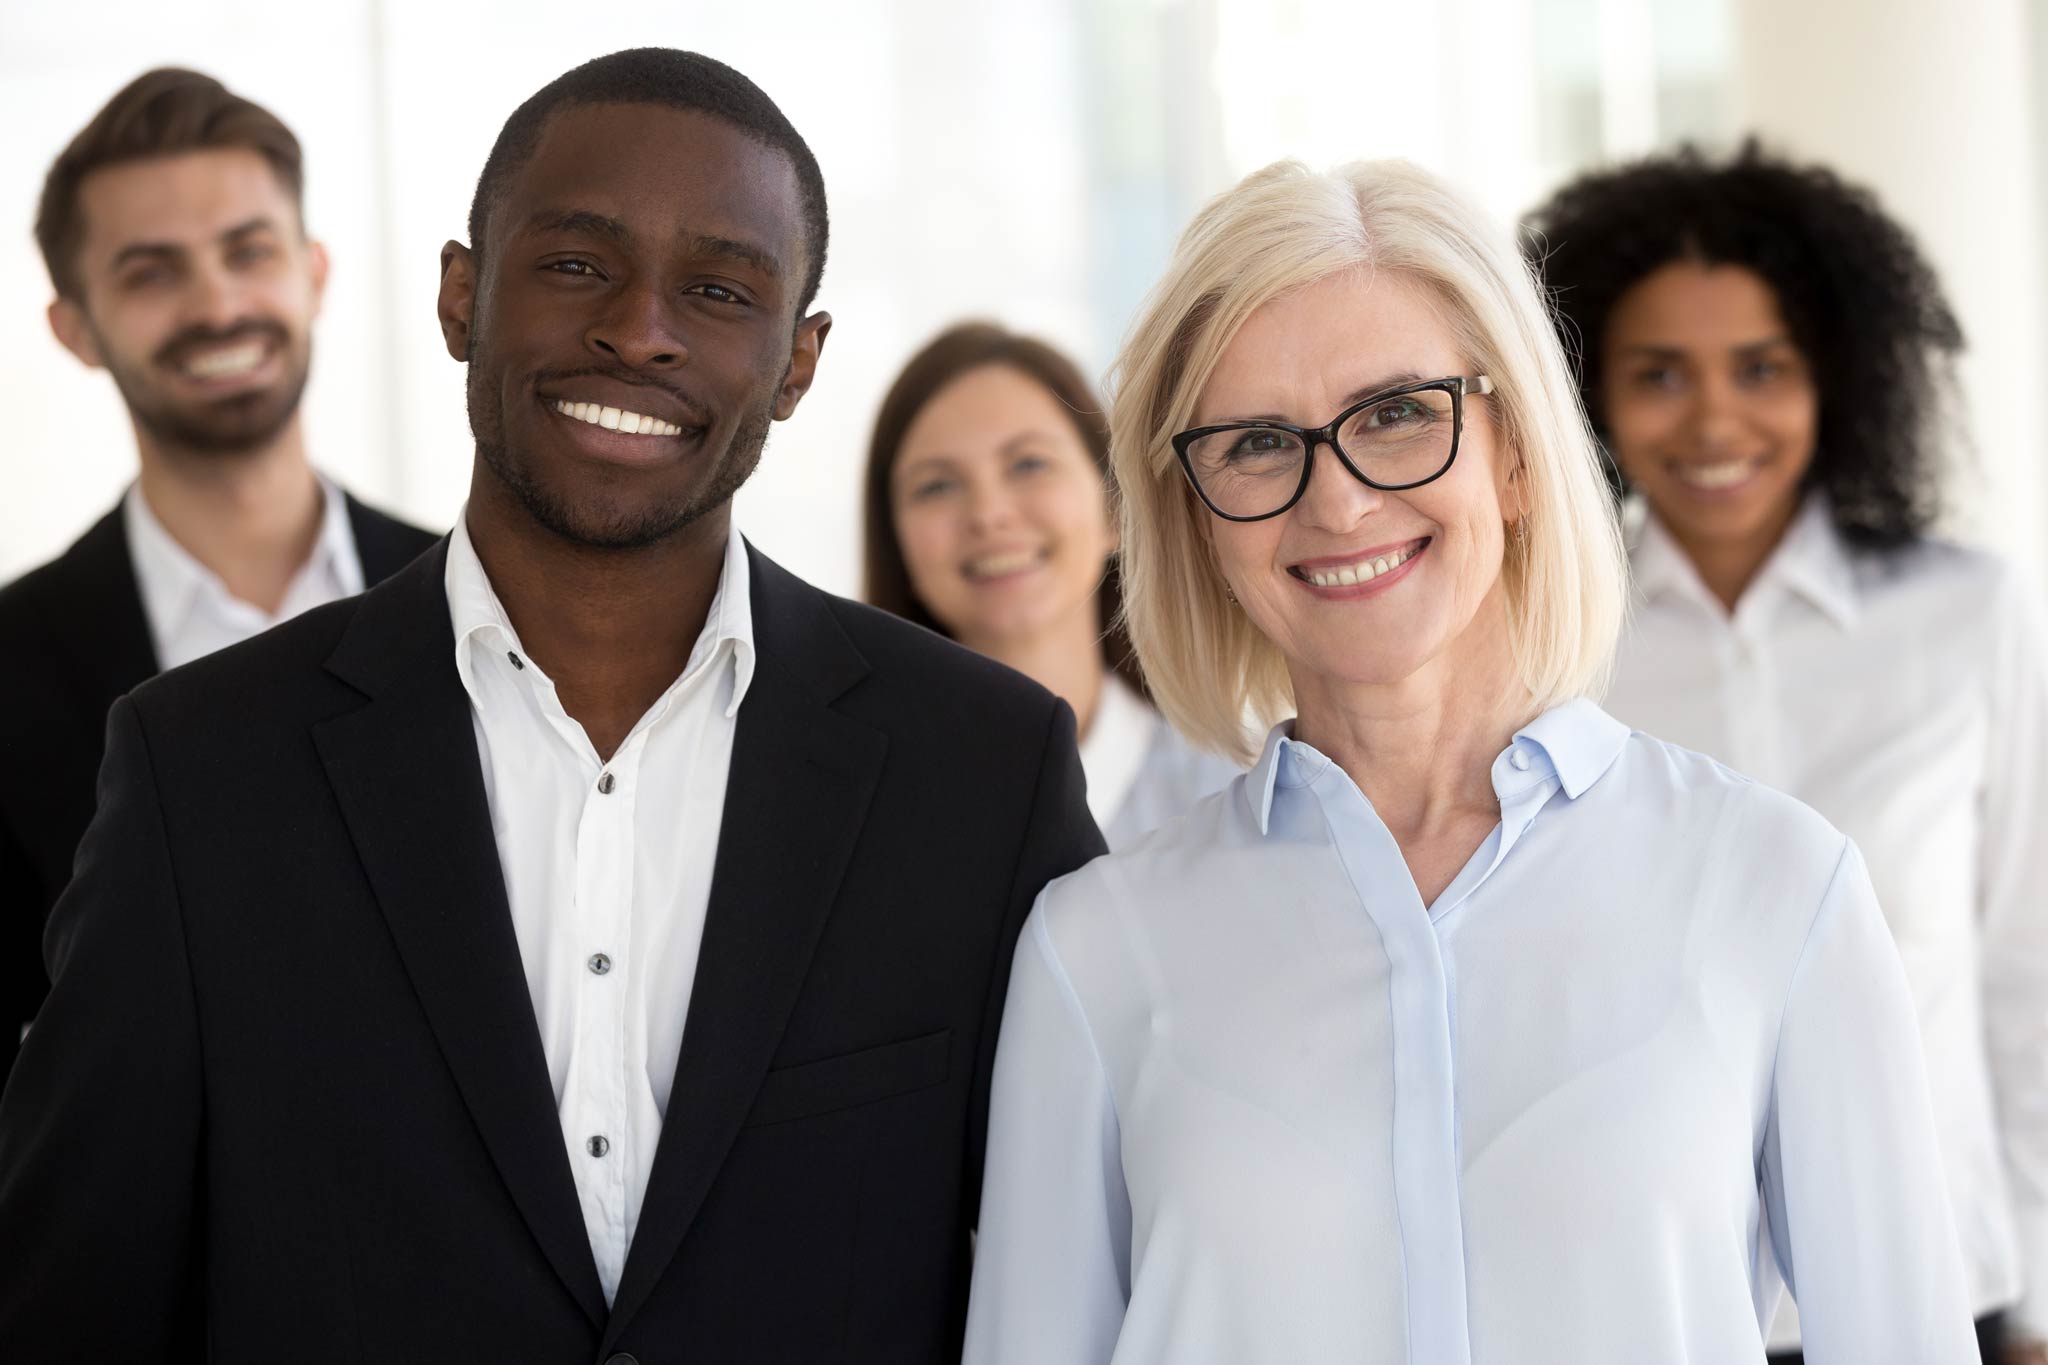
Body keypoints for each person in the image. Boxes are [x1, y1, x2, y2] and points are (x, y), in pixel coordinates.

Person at [0, 48, 1102, 1362]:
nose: (641, 327)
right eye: (578, 263)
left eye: (719, 287)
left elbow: (1079, 1275)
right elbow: (76, 1309)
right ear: (461, 295)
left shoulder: (978, 767)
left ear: (798, 362)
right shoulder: (196, 772)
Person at [963, 157, 1977, 1364]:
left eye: (1395, 413)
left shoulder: (1774, 887)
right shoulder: (1092, 952)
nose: (1333, 502)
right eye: (1253, 443)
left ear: (1514, 452)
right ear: (1193, 515)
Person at [1526, 143, 2048, 1365]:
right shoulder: (1551, 651)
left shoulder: (1968, 618)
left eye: (1760, 369)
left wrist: (2036, 1306)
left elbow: (2028, 975)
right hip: (1646, 1306)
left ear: (1838, 379)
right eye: (1658, 374)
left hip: (1941, 1290)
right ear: (1586, 395)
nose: (1713, 419)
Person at [0, 68, 436, 1077]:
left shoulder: (493, 599)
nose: (218, 304)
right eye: (152, 272)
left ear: (314, 271)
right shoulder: (11, 664)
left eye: (249, 252)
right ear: (75, 327)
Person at [863, 322, 1238, 848]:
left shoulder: (1232, 801)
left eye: (1029, 463)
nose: (988, 514)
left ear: (1114, 505)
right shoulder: (855, 814)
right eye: (937, 485)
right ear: (896, 542)